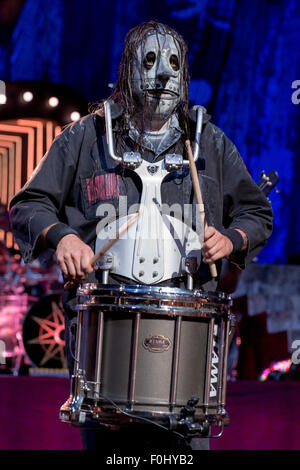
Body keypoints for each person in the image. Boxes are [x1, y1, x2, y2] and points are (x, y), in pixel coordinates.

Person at [9, 21, 273, 451]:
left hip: (187, 352)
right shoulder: (87, 137)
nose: (163, 75)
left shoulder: (210, 142)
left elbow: (256, 212)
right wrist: (62, 237)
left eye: (173, 64)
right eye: (149, 62)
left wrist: (234, 238)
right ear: (128, 69)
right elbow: (27, 203)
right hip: (104, 346)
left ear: (185, 75)